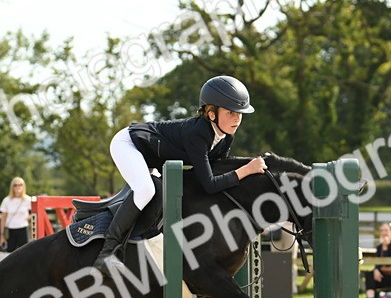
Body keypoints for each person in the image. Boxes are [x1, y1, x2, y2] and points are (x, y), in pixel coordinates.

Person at [95, 75, 265, 274]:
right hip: (129, 144)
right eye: (230, 113)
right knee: (146, 191)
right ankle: (106, 254)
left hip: (152, 157)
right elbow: (210, 184)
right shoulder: (198, 133)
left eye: (240, 113)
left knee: (158, 195)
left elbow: (216, 172)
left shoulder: (226, 136)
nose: (237, 119)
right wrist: (246, 169)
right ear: (211, 114)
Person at [364, 222, 391, 298]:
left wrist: (385, 248)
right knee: (369, 273)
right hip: (381, 277)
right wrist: (376, 270)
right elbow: (378, 263)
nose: (384, 233)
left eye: (386, 230)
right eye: (382, 230)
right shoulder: (379, 247)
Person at [0, 177, 35, 252]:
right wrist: (2, 235)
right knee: (10, 253)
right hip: (11, 229)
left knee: (25, 252)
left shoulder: (28, 199)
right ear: (12, 187)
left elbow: (36, 212)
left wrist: (29, 217)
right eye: (15, 185)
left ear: (23, 186)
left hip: (23, 229)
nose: (18, 187)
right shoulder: (7, 200)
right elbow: (3, 219)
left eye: (20, 185)